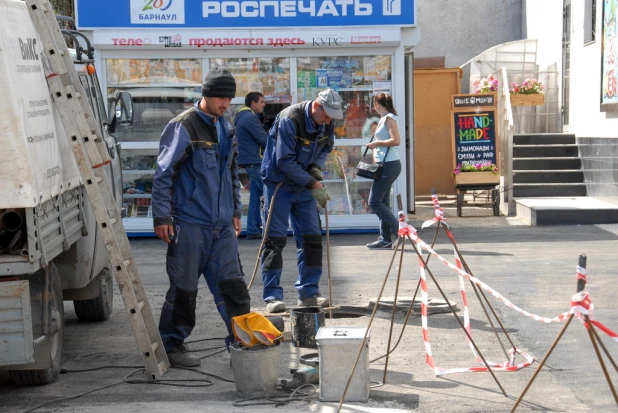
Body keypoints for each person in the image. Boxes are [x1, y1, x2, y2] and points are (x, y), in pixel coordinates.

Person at [151, 67, 251, 367]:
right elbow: (163, 175)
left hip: (221, 226)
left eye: (229, 97)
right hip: (189, 224)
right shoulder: (183, 126)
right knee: (184, 289)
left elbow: (232, 172)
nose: (225, 102)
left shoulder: (227, 126)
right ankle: (171, 345)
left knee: (233, 287)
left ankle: (242, 345)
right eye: (220, 96)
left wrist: (235, 210)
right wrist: (161, 217)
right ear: (205, 95)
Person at [260, 89, 342, 313]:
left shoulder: (327, 121)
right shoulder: (290, 119)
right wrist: (312, 182)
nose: (328, 122)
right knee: (274, 241)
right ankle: (272, 296)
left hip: (305, 185)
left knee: (312, 240)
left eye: (331, 118)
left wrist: (315, 167)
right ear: (316, 106)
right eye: (326, 116)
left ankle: (308, 293)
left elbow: (326, 147)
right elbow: (284, 160)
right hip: (279, 185)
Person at [365, 93, 402, 250]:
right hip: (384, 164)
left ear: (377, 104)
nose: (374, 107)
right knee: (383, 201)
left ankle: (399, 231)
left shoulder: (389, 118)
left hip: (389, 164)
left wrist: (376, 143)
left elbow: (396, 141)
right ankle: (385, 239)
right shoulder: (383, 119)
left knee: (374, 202)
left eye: (374, 104)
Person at [234, 92, 268, 239]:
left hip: (250, 160)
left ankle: (253, 229)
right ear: (253, 103)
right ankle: (271, 230)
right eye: (261, 102)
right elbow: (263, 138)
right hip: (255, 161)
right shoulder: (249, 117)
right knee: (269, 195)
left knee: (255, 197)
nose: (264, 104)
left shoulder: (242, 116)